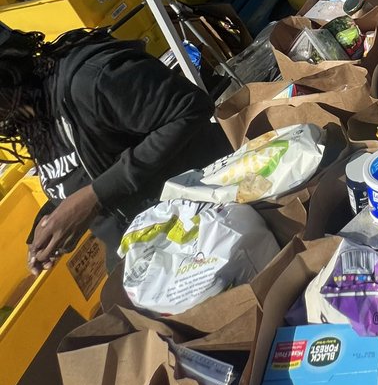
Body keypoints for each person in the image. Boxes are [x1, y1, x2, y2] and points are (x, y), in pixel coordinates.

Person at [0, 23, 229, 272]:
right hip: (150, 251)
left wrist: (94, 196)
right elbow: (79, 170)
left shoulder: (91, 79)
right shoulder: (27, 112)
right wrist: (53, 223)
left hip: (214, 220)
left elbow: (191, 107)